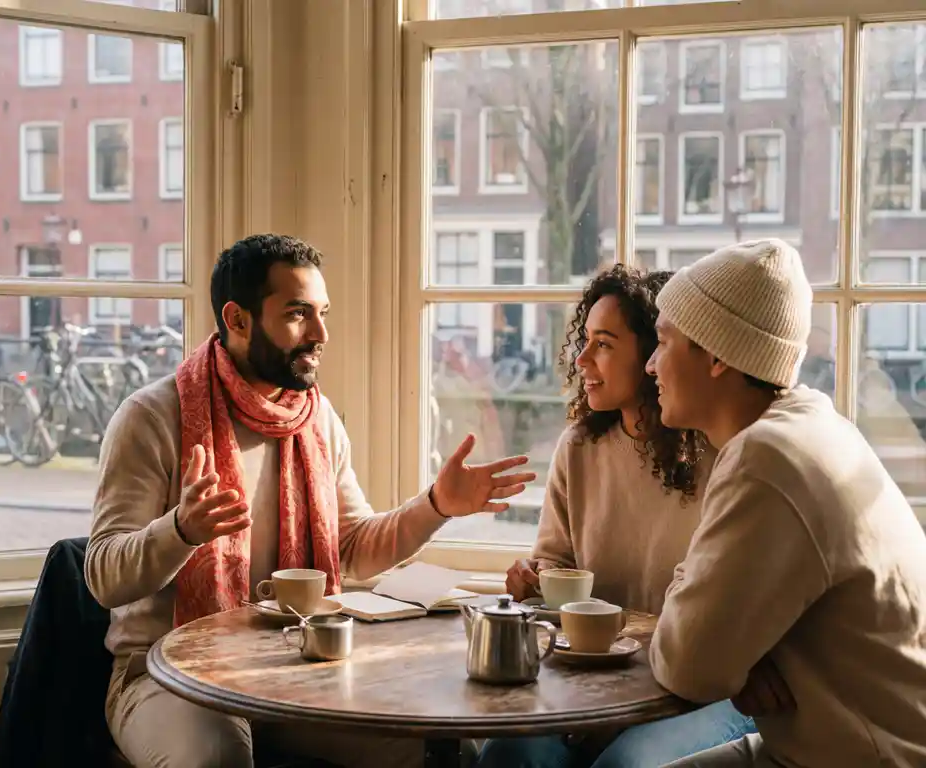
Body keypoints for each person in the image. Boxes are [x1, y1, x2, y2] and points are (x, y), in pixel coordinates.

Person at [86, 233, 536, 768]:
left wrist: (436, 504)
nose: (320, 333)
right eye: (299, 314)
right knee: (216, 760)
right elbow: (103, 577)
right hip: (169, 675)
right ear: (237, 319)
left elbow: (352, 549)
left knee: (442, 750)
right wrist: (181, 530)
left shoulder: (316, 420)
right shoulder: (152, 418)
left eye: (322, 313)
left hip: (297, 666)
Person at [645, 239, 926, 767]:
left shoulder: (766, 459)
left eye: (664, 342)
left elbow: (689, 667)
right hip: (832, 742)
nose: (651, 366)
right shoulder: (814, 424)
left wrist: (721, 650)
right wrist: (739, 657)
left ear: (717, 355)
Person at [477, 265, 755, 768]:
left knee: (626, 766)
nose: (582, 359)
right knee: (509, 753)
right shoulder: (579, 448)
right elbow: (554, 564)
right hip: (596, 680)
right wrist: (532, 578)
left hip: (700, 689)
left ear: (654, 353)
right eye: (584, 342)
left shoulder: (724, 453)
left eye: (603, 344)